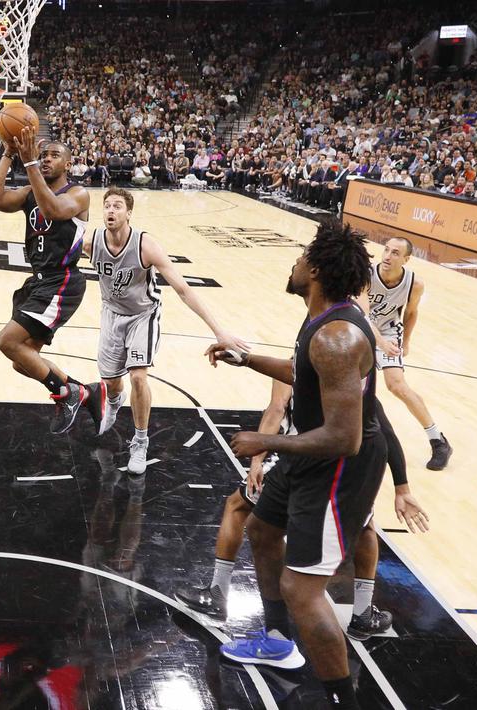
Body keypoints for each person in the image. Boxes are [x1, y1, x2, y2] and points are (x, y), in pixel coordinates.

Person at [199, 221, 387, 710]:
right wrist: (247, 358)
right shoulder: (322, 321)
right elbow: (302, 373)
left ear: (318, 270)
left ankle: (342, 700)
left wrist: (267, 440)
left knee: (302, 589)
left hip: (339, 468)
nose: (294, 263)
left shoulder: (338, 338)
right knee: (261, 530)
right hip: (310, 453)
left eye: (302, 257)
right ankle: (279, 644)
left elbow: (344, 439)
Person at [175, 378, 430, 641]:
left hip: (305, 464)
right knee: (365, 526)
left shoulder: (307, 363)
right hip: (341, 471)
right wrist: (402, 487)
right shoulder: (352, 374)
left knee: (239, 508)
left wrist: (257, 460)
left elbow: (276, 408)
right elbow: (384, 431)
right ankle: (362, 613)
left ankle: (221, 596)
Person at [84, 187, 247, 473]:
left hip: (142, 315)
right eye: (107, 205)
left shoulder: (145, 245)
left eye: (118, 206)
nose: (111, 210)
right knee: (111, 382)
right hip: (111, 314)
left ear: (129, 213)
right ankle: (113, 399)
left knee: (138, 377)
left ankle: (140, 441)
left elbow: (183, 289)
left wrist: (219, 332)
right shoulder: (93, 242)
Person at [0, 125, 103, 433]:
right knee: (22, 361)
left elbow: (53, 209)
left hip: (62, 281)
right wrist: (10, 154)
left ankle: (67, 395)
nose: (47, 159)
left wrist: (30, 163)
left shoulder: (78, 194)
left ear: (68, 163)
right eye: (43, 154)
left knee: (7, 341)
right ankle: (85, 391)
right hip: (38, 282)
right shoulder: (30, 193)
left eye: (54, 155)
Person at [358, 236, 452, 470]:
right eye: (386, 250)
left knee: (397, 386)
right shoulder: (365, 274)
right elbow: (363, 315)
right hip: (360, 329)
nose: (388, 256)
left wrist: (406, 341)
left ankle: (438, 441)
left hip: (389, 332)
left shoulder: (414, 284)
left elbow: (411, 313)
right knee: (354, 387)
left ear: (406, 259)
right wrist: (379, 343)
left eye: (395, 253)